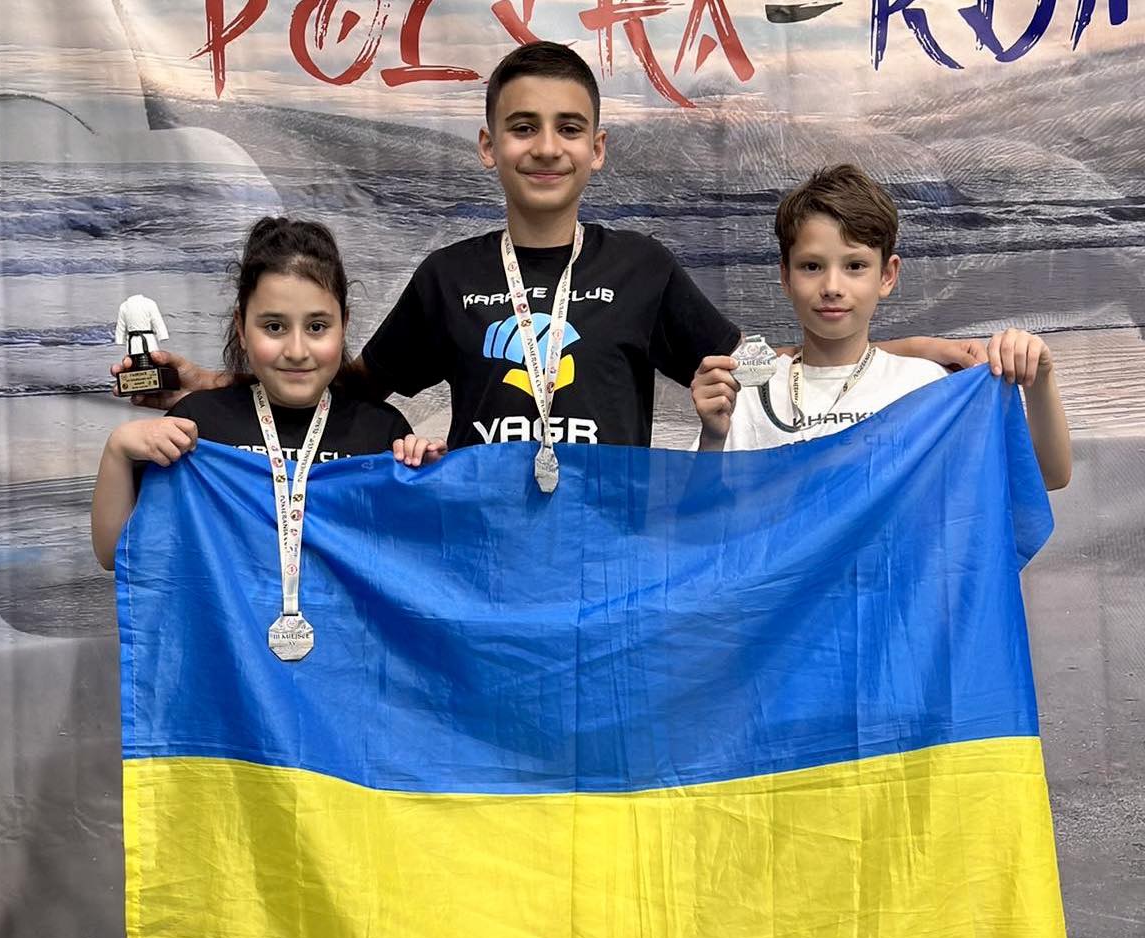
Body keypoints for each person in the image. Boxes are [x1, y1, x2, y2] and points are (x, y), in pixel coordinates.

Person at [113, 43, 983, 452]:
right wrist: (220, 383)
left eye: (569, 128)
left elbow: (759, 367)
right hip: (479, 564)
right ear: (488, 146)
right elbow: (348, 385)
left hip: (610, 565)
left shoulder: (642, 267)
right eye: (522, 127)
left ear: (598, 149)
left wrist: (904, 352)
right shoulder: (449, 275)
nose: (546, 147)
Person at [91, 217, 445, 570]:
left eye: (317, 327)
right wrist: (118, 452)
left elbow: (415, 561)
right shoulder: (197, 423)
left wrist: (426, 480)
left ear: (344, 325)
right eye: (274, 327)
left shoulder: (382, 431)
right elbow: (116, 553)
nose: (296, 350)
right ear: (241, 328)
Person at [689, 164, 1071, 490]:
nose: (832, 287)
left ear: (887, 275)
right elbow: (698, 524)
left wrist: (1041, 379)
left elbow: (1046, 476)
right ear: (786, 276)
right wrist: (713, 439)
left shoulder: (926, 385)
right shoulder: (749, 395)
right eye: (811, 266)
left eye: (855, 266)